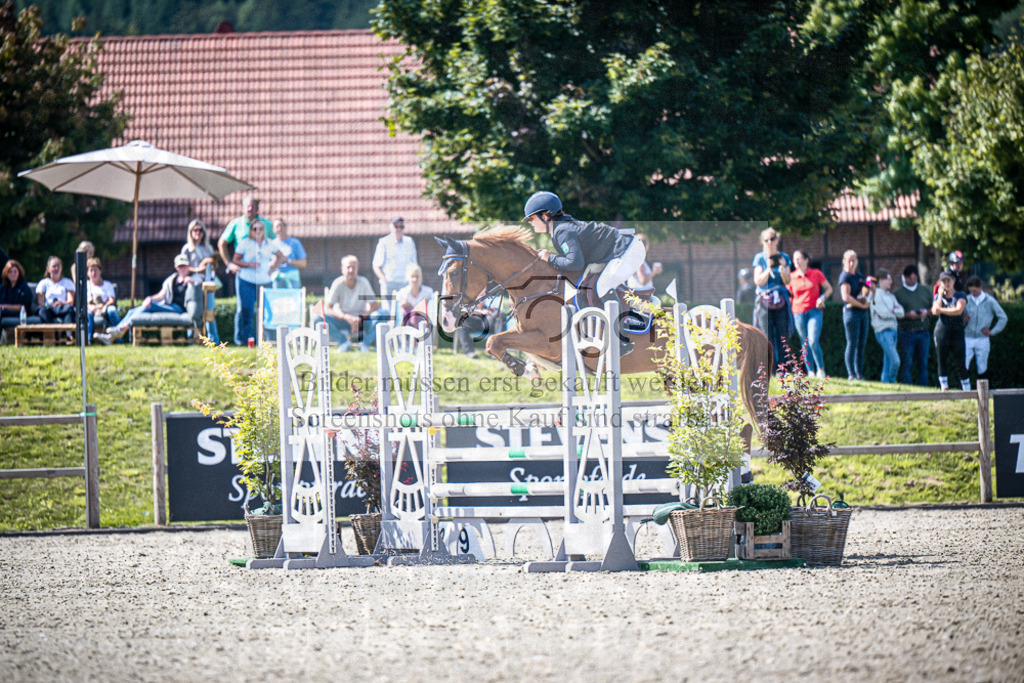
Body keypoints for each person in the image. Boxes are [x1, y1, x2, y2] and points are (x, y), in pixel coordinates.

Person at [523, 191, 645, 355]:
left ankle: (621, 340)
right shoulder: (560, 228)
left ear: (545, 215)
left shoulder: (562, 230)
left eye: (531, 218)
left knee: (602, 287)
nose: (530, 222)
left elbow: (575, 263)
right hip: (618, 253)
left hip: (628, 252)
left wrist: (550, 258)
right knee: (587, 288)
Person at [95, 255, 194, 344]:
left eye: (185, 266)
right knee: (132, 311)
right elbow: (161, 295)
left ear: (189, 266)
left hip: (179, 309)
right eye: (180, 266)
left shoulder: (193, 279)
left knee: (150, 305)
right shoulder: (171, 280)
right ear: (176, 267)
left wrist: (192, 283)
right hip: (169, 306)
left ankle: (122, 329)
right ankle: (111, 337)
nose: (183, 268)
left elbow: (200, 285)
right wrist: (149, 298)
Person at [231, 220, 284, 346]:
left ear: (264, 230)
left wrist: (273, 268)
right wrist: (249, 265)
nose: (258, 231)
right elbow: (235, 260)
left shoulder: (269, 243)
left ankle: (266, 340)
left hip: (265, 281)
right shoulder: (245, 243)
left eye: (260, 229)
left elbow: (280, 256)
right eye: (255, 229)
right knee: (246, 310)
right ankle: (243, 341)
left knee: (266, 311)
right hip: (247, 280)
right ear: (251, 231)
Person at [320, 255, 387, 352]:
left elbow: (375, 306)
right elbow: (327, 308)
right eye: (348, 267)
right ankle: (343, 342)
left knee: (383, 314)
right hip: (343, 320)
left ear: (357, 269)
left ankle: (364, 344)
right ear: (342, 269)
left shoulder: (363, 282)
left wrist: (360, 318)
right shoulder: (337, 283)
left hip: (363, 320)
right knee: (319, 317)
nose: (351, 270)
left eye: (353, 267)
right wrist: (346, 317)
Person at [787, 249, 832, 377]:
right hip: (798, 312)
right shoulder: (791, 277)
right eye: (794, 259)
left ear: (807, 260)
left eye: (799, 258)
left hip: (814, 311)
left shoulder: (816, 273)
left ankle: (821, 370)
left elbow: (829, 289)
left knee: (813, 340)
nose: (796, 261)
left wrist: (822, 298)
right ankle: (810, 371)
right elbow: (789, 296)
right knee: (804, 342)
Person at [752, 227, 792, 371]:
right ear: (762, 242)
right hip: (764, 301)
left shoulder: (784, 257)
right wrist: (768, 269)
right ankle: (769, 369)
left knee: (783, 335)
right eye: (766, 240)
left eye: (772, 239)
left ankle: (784, 369)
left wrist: (781, 268)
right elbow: (758, 281)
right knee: (766, 336)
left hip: (780, 299)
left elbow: (787, 281)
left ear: (777, 240)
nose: (770, 242)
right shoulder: (759, 258)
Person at [963, 276, 1007, 386]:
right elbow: (959, 318)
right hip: (967, 337)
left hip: (982, 338)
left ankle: (983, 393)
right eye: (971, 291)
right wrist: (963, 319)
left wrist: (992, 331)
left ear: (980, 287)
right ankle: (964, 391)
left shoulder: (990, 301)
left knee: (982, 367)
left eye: (975, 291)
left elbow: (1003, 318)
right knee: (964, 364)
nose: (972, 293)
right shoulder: (966, 299)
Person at [893, 264, 933, 386]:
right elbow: (894, 313)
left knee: (923, 363)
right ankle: (907, 388)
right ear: (904, 278)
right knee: (907, 363)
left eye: (915, 278)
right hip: (906, 331)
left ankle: (924, 388)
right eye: (910, 278)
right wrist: (907, 315)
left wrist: (926, 313)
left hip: (923, 331)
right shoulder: (898, 293)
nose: (912, 280)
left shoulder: (925, 290)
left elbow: (933, 308)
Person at [931, 270, 969, 391]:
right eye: (944, 281)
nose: (946, 283)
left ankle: (966, 387)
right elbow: (934, 311)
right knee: (942, 358)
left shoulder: (960, 295)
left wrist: (942, 310)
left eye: (948, 280)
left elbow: (958, 310)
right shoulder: (939, 297)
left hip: (957, 332)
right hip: (942, 331)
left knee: (960, 360)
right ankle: (944, 386)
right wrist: (940, 295)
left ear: (953, 281)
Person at [372, 217, 418, 309]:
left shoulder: (409, 242)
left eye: (401, 227)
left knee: (406, 312)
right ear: (391, 227)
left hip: (406, 284)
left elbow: (414, 264)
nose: (399, 229)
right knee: (388, 313)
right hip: (389, 283)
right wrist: (384, 279)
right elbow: (376, 265)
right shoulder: (384, 242)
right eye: (396, 226)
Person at [838, 249, 870, 381]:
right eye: (849, 260)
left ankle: (859, 374)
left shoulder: (859, 276)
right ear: (844, 262)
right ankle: (851, 374)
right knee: (852, 344)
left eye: (854, 260)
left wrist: (869, 286)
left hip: (862, 314)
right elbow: (846, 297)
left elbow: (866, 285)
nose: (851, 263)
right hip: (851, 313)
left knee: (861, 344)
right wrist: (861, 305)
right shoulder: (844, 277)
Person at [868, 269, 904, 384]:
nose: (891, 282)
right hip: (883, 331)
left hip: (893, 330)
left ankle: (885, 385)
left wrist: (891, 311)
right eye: (888, 279)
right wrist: (894, 312)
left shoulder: (891, 296)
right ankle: (892, 382)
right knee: (895, 361)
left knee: (888, 361)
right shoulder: (876, 295)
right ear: (881, 281)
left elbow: (902, 312)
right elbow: (882, 314)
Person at [85, 258, 121, 341]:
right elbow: (81, 301)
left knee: (112, 310)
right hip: (90, 308)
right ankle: (88, 339)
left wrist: (102, 306)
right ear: (87, 273)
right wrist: (89, 307)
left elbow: (112, 300)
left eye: (96, 270)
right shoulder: (85, 286)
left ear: (100, 271)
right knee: (87, 314)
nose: (94, 273)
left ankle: (118, 338)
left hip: (105, 308)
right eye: (91, 270)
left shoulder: (107, 284)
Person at [36, 256, 76, 325]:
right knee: (42, 311)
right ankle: (50, 333)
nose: (56, 268)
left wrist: (61, 303)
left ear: (61, 268)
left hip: (63, 308)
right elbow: (40, 302)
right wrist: (50, 305)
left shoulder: (68, 282)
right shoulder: (43, 283)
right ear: (48, 269)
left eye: (58, 266)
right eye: (54, 266)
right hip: (49, 308)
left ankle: (68, 334)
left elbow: (71, 301)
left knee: (70, 311)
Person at [395, 263, 434, 328]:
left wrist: (412, 306)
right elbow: (400, 307)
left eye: (417, 276)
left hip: (423, 322)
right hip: (407, 323)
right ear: (408, 278)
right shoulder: (403, 292)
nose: (415, 279)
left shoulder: (428, 292)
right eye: (412, 276)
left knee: (415, 315)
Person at [270, 219, 307, 289]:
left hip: (292, 279)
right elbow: (266, 265)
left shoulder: (295, 242)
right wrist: (275, 261)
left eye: (281, 226)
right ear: (274, 230)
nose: (279, 229)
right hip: (278, 279)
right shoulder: (272, 244)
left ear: (285, 227)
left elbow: (303, 263)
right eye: (277, 227)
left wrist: (287, 260)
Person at [181, 219, 218, 285]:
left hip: (208, 278)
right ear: (191, 232)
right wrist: (198, 270)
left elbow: (213, 266)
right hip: (193, 280)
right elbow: (182, 267)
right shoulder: (187, 248)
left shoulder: (209, 248)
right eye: (195, 230)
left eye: (200, 230)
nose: (198, 232)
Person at [0, 259, 34, 324]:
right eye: (10, 272)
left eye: (15, 271)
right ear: (6, 274)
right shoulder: (3, 288)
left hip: (21, 314)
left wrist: (5, 306)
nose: (13, 274)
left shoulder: (24, 288)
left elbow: (22, 307)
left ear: (19, 273)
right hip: (5, 312)